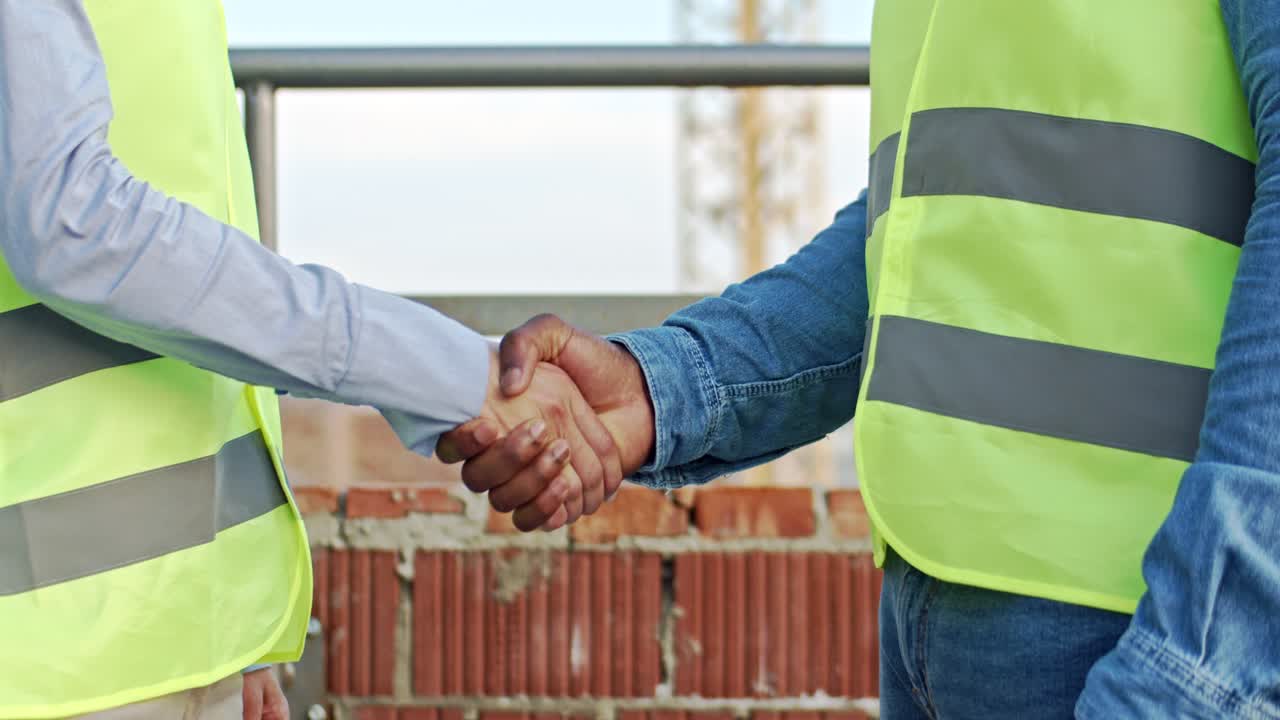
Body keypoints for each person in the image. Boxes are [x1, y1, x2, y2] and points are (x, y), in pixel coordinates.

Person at [445, 1, 1280, 716]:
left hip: (1135, 624)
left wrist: (1199, 670)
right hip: (932, 610)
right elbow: (921, 222)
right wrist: (664, 387)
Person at [0, 1, 616, 718]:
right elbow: (73, 223)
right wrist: (451, 375)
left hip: (182, 642)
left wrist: (229, 623)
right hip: (44, 663)